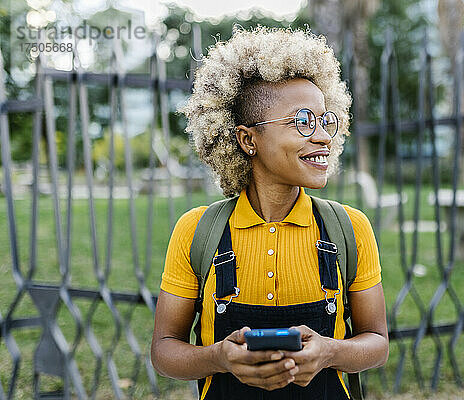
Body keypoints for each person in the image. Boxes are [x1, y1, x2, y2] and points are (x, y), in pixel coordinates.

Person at [151, 26, 388, 400]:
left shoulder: (349, 228)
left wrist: (331, 352)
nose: (324, 136)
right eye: (303, 121)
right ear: (248, 140)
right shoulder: (198, 232)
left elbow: (377, 343)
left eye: (325, 120)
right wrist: (219, 357)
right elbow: (164, 351)